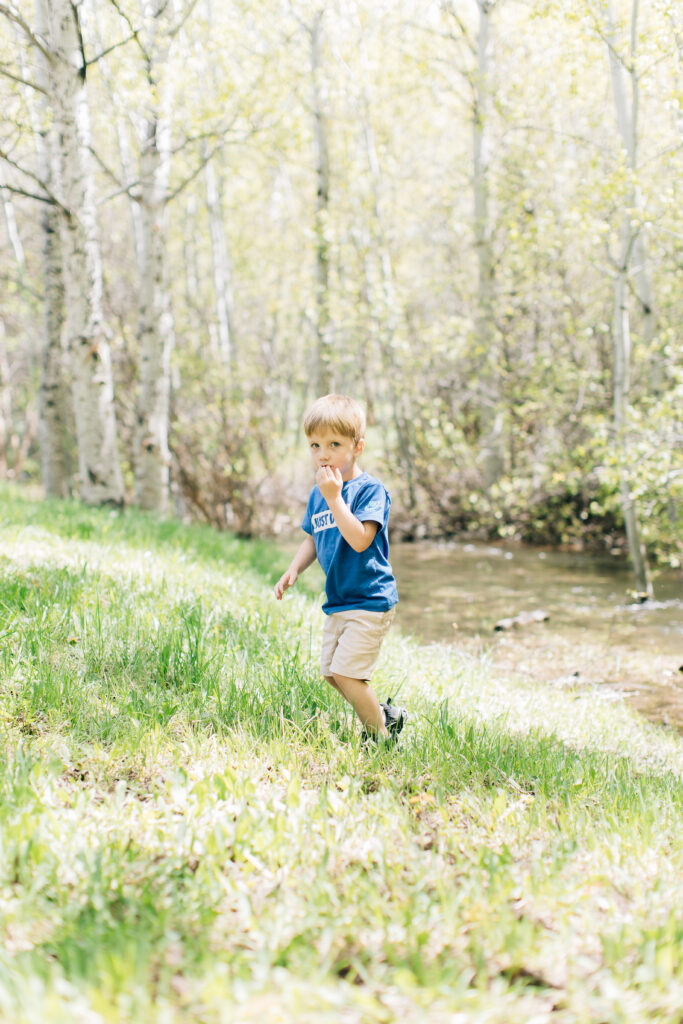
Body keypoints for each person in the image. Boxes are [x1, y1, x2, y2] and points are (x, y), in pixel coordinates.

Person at [274, 394, 408, 742]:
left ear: (357, 446)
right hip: (340, 599)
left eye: (334, 444)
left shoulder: (369, 491)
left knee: (348, 674)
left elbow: (361, 540)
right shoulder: (320, 492)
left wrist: (336, 498)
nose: (323, 454)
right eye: (315, 445)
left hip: (369, 598)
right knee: (333, 674)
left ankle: (380, 738)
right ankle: (386, 716)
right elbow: (313, 538)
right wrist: (294, 570)